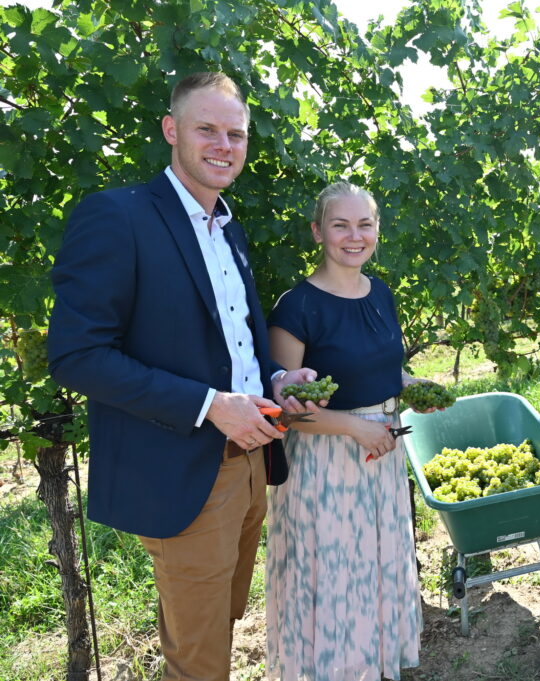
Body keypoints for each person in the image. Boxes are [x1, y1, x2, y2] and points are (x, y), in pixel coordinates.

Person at [48, 72, 319, 681]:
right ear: (172, 130)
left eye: (236, 134)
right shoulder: (118, 217)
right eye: (207, 129)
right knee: (198, 661)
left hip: (253, 461)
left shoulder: (231, 230)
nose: (224, 145)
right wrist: (208, 405)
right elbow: (77, 354)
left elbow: (236, 347)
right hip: (186, 468)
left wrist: (276, 379)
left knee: (216, 629)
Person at [265, 181, 426, 680]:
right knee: (333, 576)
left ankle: (373, 666)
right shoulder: (296, 307)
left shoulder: (380, 293)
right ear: (318, 232)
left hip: (381, 450)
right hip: (325, 463)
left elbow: (383, 370)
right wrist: (356, 428)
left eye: (365, 224)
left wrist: (414, 387)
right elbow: (288, 411)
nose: (354, 236)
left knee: (377, 567)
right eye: (341, 225)